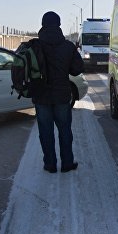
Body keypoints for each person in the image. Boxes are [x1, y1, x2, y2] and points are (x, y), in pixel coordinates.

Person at [34, 11, 84, 173]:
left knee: (45, 132)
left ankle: (50, 164)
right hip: (62, 96)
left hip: (41, 96)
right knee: (64, 130)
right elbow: (78, 69)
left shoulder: (35, 46)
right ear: (59, 25)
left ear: (43, 25)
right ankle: (67, 163)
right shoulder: (68, 46)